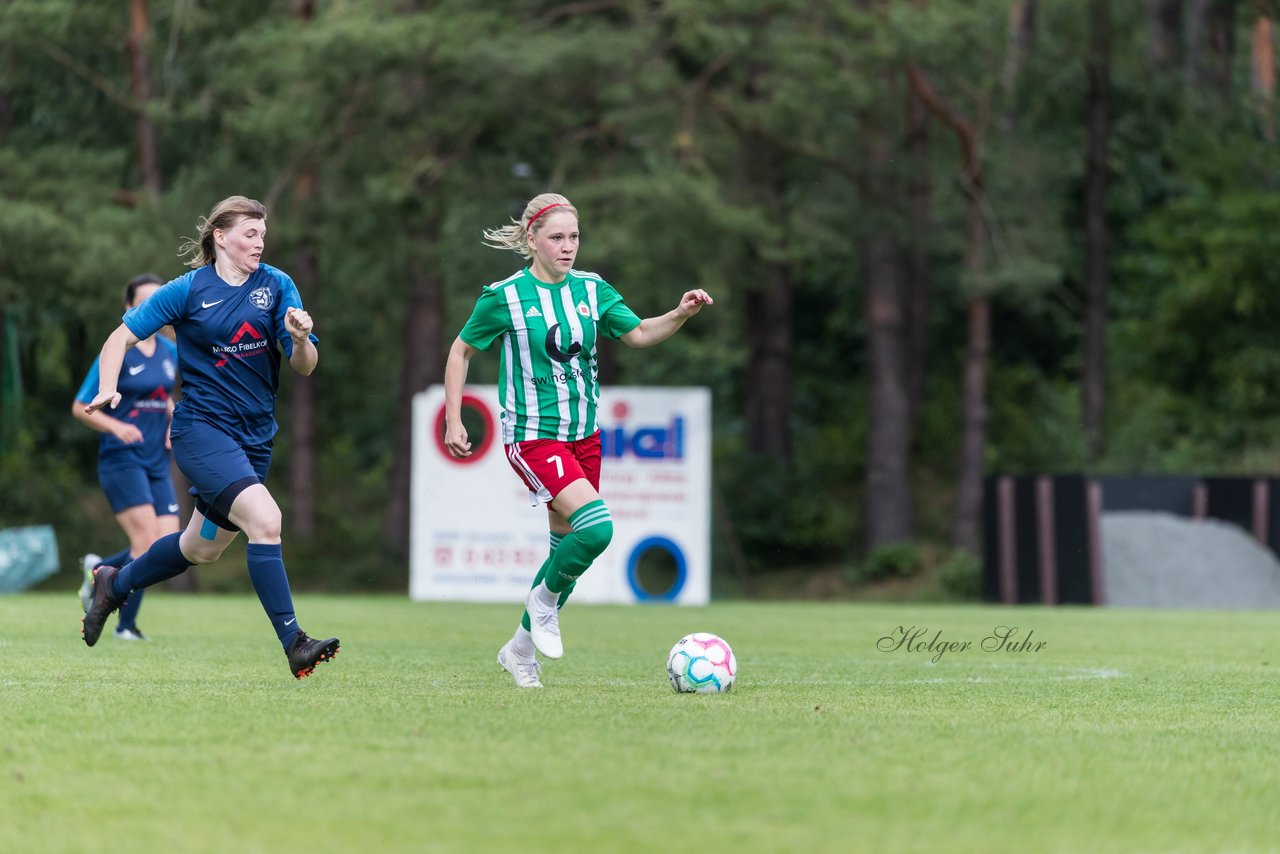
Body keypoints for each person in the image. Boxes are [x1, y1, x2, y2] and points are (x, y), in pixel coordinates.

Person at [443, 192, 713, 688]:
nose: (568, 247)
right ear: (533, 240)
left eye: (574, 237)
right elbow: (460, 352)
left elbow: (637, 335)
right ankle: (542, 605)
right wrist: (454, 419)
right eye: (557, 238)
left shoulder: (592, 289)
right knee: (597, 530)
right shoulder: (503, 297)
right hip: (531, 437)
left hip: (584, 437)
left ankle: (520, 651)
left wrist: (679, 314)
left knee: (565, 546)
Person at [79, 195, 340, 680]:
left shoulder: (279, 286)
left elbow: (305, 368)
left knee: (201, 548)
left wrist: (301, 339)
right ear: (220, 237)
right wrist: (109, 388)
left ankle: (113, 584)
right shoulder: (187, 290)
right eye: (249, 234)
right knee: (266, 520)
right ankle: (295, 642)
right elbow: (120, 338)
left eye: (263, 235)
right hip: (202, 430)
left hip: (256, 438)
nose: (259, 243)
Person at [72, 274, 180, 640]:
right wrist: (116, 428)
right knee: (146, 542)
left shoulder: (169, 352)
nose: (153, 307)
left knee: (170, 545)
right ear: (129, 307)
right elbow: (79, 406)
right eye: (144, 301)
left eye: (158, 300)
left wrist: (170, 418)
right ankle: (125, 626)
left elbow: (162, 394)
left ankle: (100, 569)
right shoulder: (118, 349)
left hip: (156, 460)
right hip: (122, 459)